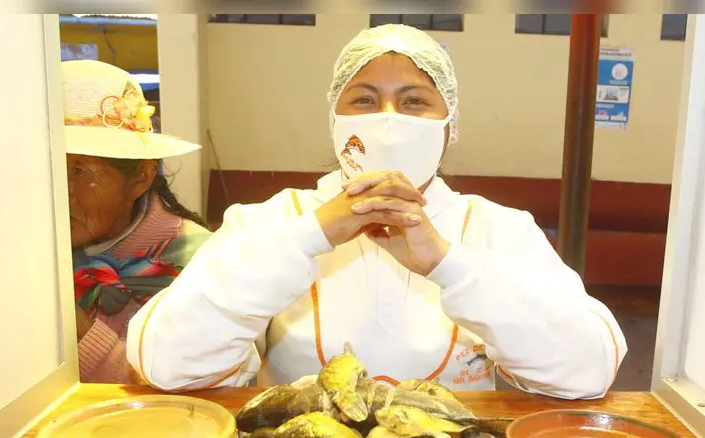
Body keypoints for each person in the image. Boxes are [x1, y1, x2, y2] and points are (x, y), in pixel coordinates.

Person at [126, 24, 627, 399]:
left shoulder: (499, 230)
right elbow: (166, 362)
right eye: (364, 100)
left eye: (414, 102)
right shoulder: (271, 222)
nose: (388, 121)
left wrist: (448, 265)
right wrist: (311, 237)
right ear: (335, 121)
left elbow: (588, 368)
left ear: (449, 125)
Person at [62, 60, 211, 383]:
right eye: (51, 169)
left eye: (78, 171)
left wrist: (81, 331)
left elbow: (191, 388)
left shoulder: (201, 264)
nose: (62, 192)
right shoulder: (36, 249)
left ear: (141, 178)